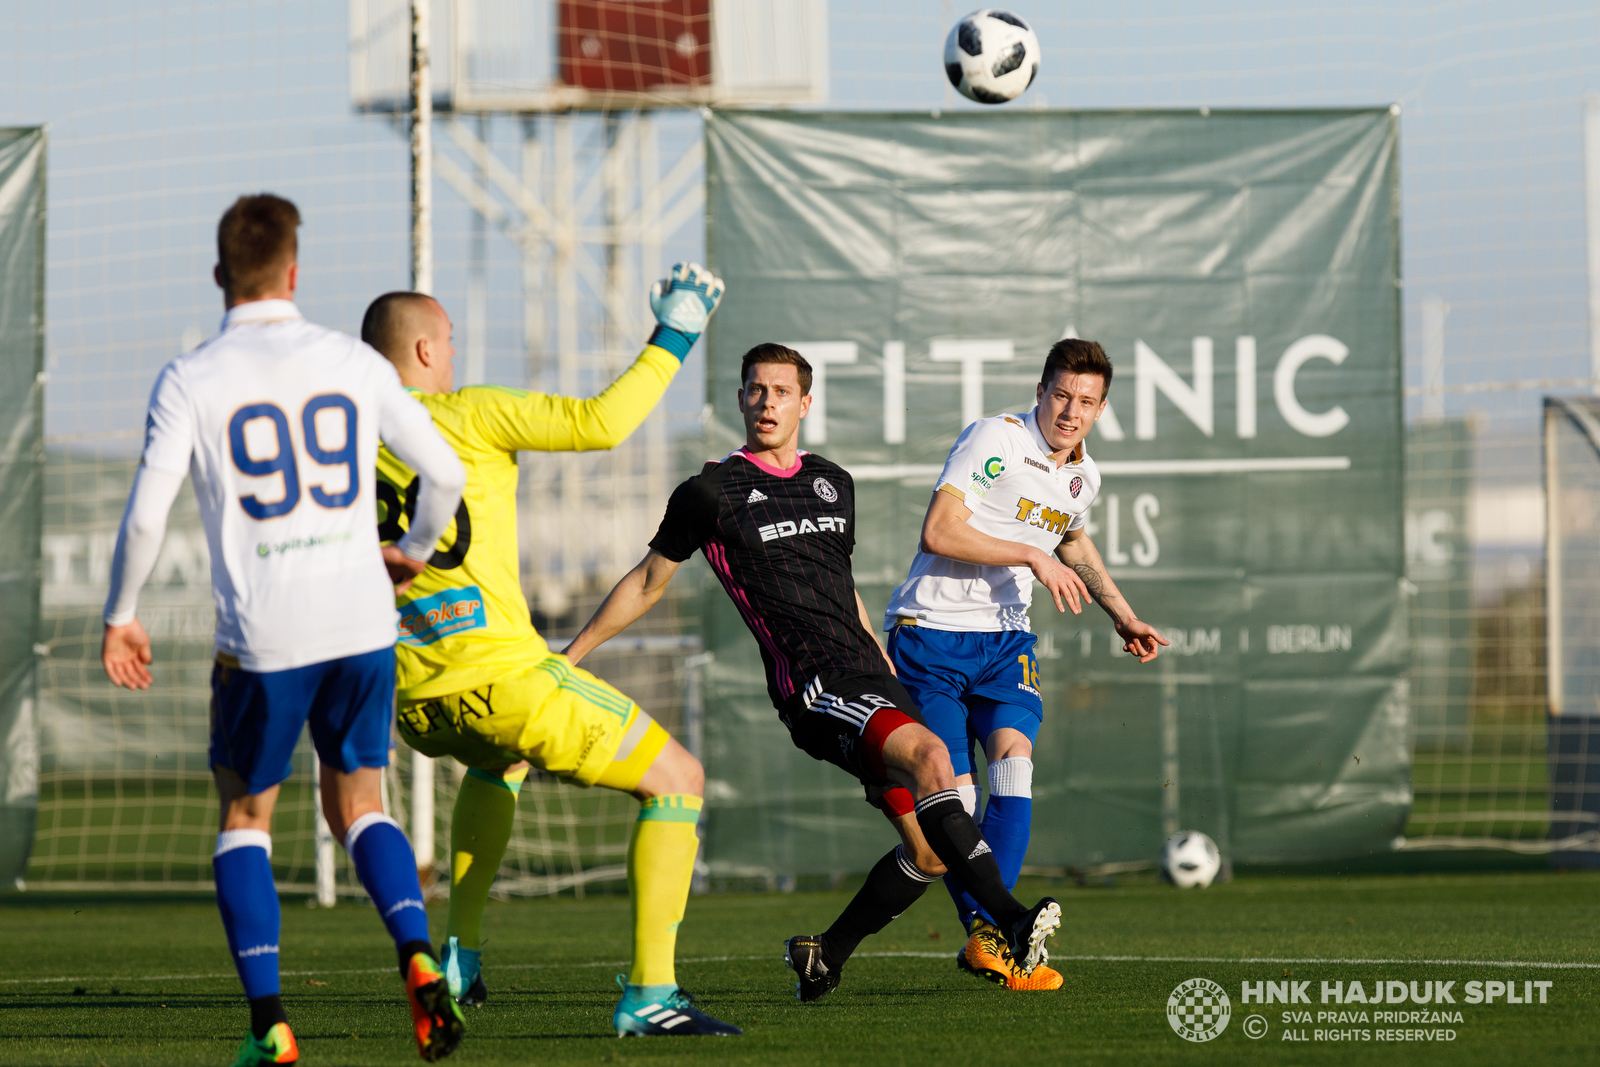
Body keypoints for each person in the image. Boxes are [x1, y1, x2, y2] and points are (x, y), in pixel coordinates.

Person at [563, 343, 1063, 1004]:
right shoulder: (711, 491)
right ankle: (1010, 919)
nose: (766, 401)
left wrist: (886, 666)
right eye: (755, 389)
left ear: (805, 402)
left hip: (872, 680)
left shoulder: (833, 481)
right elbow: (648, 581)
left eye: (780, 390)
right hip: (816, 688)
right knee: (936, 757)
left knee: (930, 849)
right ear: (741, 399)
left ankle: (824, 952)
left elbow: (842, 588)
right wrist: (568, 658)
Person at [101, 193, 470, 1066]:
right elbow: (445, 473)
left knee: (245, 815)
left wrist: (121, 614)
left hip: (264, 636)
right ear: (296, 273)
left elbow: (145, 516)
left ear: (222, 274)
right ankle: (418, 954)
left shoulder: (192, 376)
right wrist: (410, 552)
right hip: (360, 622)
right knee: (361, 805)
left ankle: (270, 1022)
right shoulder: (351, 359)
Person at [361, 263, 740, 1038]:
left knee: (499, 761)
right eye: (452, 341)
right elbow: (600, 423)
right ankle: (651, 993)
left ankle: (458, 953)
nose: (458, 354)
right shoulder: (468, 413)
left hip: (413, 697)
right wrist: (676, 332)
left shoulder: (345, 439)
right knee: (679, 777)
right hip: (501, 676)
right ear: (427, 351)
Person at [882, 338, 1168, 990]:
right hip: (933, 636)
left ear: (1100, 409)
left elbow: (1071, 537)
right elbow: (939, 530)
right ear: (1041, 390)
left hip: (1005, 641)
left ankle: (992, 938)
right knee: (956, 799)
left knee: (1014, 769)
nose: (1071, 410)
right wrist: (1029, 557)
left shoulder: (1083, 475)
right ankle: (998, 933)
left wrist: (1121, 613)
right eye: (1062, 394)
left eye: (1086, 401)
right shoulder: (997, 439)